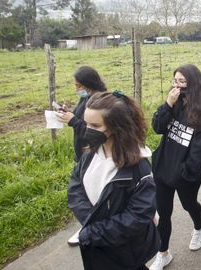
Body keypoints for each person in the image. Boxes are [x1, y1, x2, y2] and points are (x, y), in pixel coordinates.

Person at [67, 91, 160, 270]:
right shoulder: (90, 154)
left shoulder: (139, 169)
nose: (87, 130)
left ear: (116, 127)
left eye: (95, 125)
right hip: (98, 247)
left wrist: (92, 231)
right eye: (86, 123)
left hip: (125, 251)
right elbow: (75, 187)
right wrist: (90, 222)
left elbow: (137, 217)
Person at [149, 64, 201, 270]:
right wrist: (167, 105)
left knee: (189, 204)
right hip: (163, 168)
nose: (176, 86)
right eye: (174, 81)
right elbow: (157, 127)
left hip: (186, 174)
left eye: (181, 82)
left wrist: (184, 173)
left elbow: (199, 151)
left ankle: (198, 228)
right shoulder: (174, 103)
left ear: (192, 84)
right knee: (164, 212)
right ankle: (163, 253)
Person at [57, 66, 107, 246]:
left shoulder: (99, 101)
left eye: (79, 85)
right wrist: (68, 113)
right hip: (83, 152)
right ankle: (90, 224)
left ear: (88, 84)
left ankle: (91, 226)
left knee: (90, 193)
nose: (76, 88)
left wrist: (73, 121)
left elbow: (93, 132)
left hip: (92, 151)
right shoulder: (86, 97)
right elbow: (81, 117)